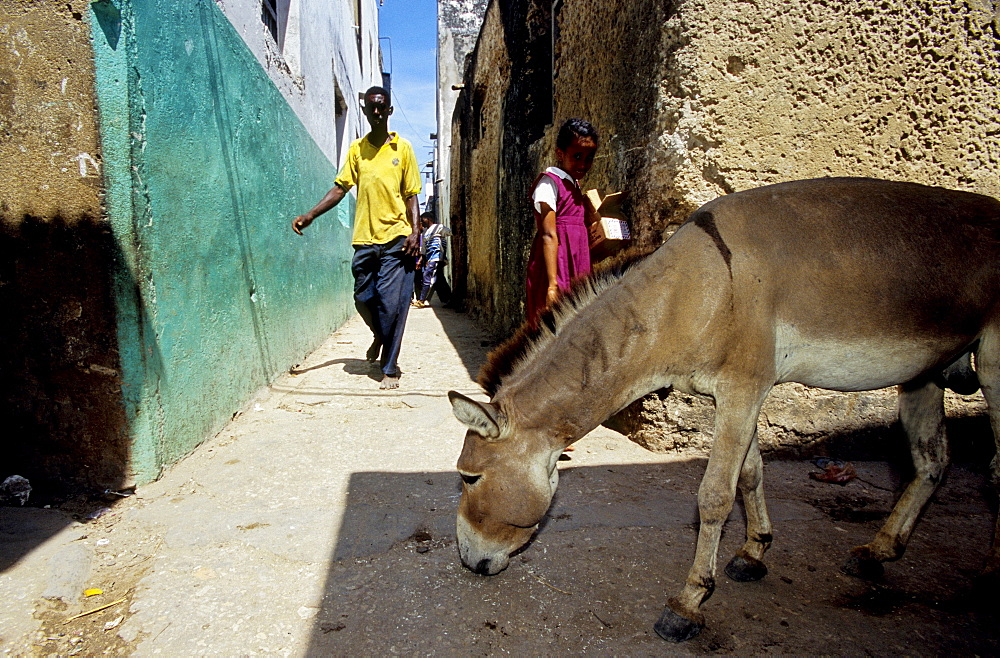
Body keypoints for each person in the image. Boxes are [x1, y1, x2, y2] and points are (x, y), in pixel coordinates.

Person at [292, 86, 421, 390]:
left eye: (382, 107)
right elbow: (340, 188)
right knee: (363, 299)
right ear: (364, 110)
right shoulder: (356, 150)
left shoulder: (402, 150)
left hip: (395, 240)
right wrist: (311, 214)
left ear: (389, 111)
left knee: (392, 306)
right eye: (371, 107)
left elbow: (412, 194)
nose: (376, 112)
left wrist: (415, 231)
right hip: (364, 240)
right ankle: (379, 335)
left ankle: (390, 367)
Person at [524, 118, 599, 328]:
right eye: (577, 156)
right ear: (560, 154)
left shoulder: (574, 186)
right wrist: (551, 285)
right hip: (556, 267)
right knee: (553, 325)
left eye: (588, 158)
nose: (583, 164)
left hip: (577, 265)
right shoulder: (549, 183)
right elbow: (548, 235)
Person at [412, 211, 452, 308]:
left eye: (423, 220)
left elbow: (449, 232)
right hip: (430, 259)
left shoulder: (438, 227)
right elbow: (424, 251)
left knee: (427, 276)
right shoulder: (425, 233)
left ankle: (421, 300)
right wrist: (421, 261)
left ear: (428, 219)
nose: (422, 223)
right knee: (439, 280)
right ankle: (448, 300)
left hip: (437, 257)